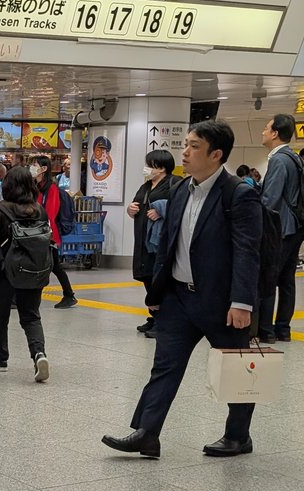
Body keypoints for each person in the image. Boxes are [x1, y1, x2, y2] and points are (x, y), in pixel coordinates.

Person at [102, 119, 263, 460]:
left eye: (193, 147)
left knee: (236, 369)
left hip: (222, 302)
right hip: (178, 296)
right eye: (185, 144)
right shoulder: (178, 190)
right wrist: (157, 294)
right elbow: (168, 245)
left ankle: (238, 436)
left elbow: (248, 252)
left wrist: (242, 302)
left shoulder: (238, 194)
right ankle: (147, 433)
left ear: (216, 154)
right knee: (164, 365)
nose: (184, 152)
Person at [0, 165, 51, 382]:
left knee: (0, 315)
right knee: (31, 316)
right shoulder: (40, 210)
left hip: (5, 273)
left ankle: (0, 359)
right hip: (34, 271)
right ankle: (39, 354)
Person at [257, 113, 302, 343]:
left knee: (268, 277)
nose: (263, 132)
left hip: (280, 229)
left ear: (275, 133)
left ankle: (265, 329)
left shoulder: (278, 159)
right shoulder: (293, 157)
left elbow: (270, 198)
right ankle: (283, 328)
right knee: (286, 281)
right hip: (294, 227)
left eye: (266, 128)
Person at [128, 150, 177, 337]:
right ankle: (155, 316)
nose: (146, 168)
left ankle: (164, 321)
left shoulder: (174, 183)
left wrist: (161, 210)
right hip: (143, 242)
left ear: (162, 167)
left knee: (161, 281)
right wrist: (130, 209)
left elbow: (179, 208)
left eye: (150, 164)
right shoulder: (146, 186)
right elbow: (137, 204)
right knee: (148, 277)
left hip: (160, 243)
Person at [33, 154, 78, 308]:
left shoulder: (51, 189)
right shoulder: (36, 187)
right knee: (53, 266)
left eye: (35, 165)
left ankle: (69, 295)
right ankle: (68, 295)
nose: (32, 168)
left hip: (48, 235)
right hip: (38, 233)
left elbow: (50, 213)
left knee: (52, 266)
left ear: (43, 169)